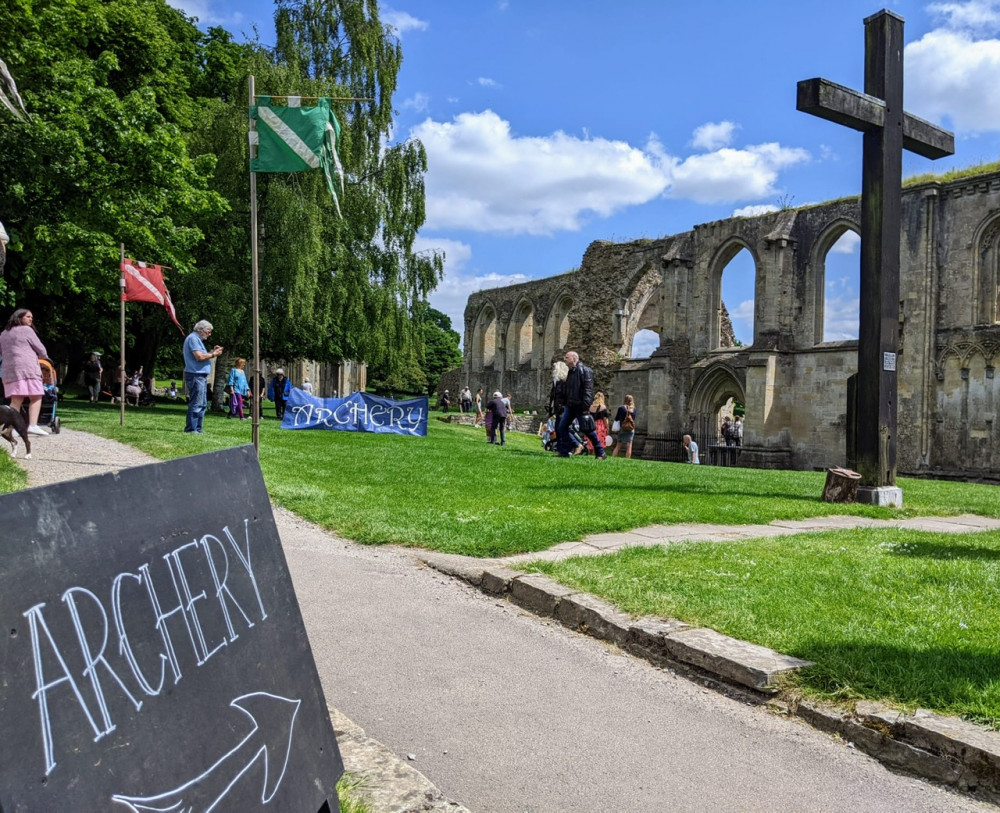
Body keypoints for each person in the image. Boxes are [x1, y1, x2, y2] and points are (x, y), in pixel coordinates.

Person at [0, 308, 51, 435]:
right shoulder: (26, 330)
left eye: (31, 317)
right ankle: (32, 425)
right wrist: (44, 356)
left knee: (16, 399)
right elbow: (41, 349)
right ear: (19, 317)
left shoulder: (4, 333)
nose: (31, 319)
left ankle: (11, 427)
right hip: (27, 369)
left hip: (10, 371)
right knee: (36, 395)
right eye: (28, 316)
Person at [556, 351, 605, 459]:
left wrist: (585, 407)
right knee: (562, 428)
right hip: (570, 406)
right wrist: (562, 402)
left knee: (588, 430)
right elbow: (567, 390)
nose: (565, 359)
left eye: (567, 357)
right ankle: (564, 451)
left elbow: (588, 391)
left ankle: (600, 452)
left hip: (580, 406)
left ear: (574, 359)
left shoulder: (585, 371)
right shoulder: (569, 372)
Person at [183, 319, 223, 434]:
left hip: (200, 375)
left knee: (203, 403)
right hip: (196, 374)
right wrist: (213, 354)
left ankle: (198, 428)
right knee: (196, 403)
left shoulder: (196, 339)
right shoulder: (193, 339)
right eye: (208, 332)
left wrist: (211, 352)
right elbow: (199, 357)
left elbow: (202, 355)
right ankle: (191, 429)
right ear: (201, 330)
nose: (209, 334)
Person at [611, 394, 637, 459]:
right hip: (631, 429)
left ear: (625, 400)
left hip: (623, 428)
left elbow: (617, 418)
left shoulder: (621, 408)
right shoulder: (634, 409)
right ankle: (627, 459)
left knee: (618, 444)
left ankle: (613, 457)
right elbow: (633, 418)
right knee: (629, 445)